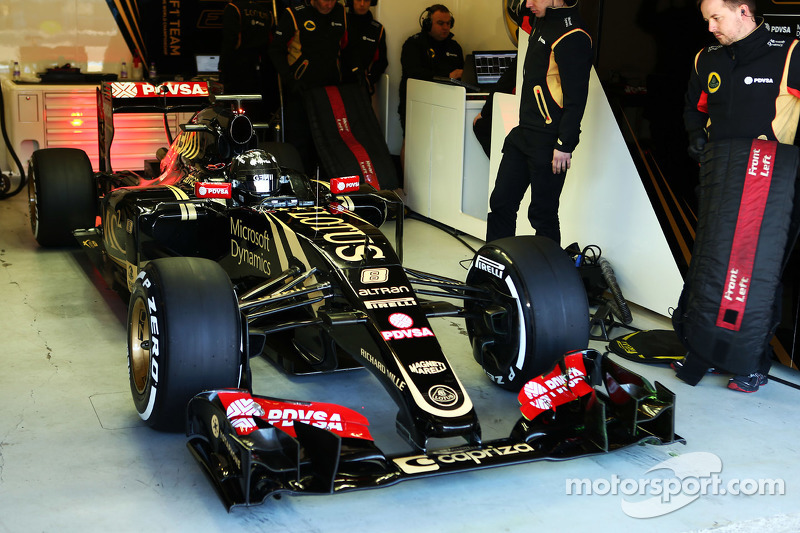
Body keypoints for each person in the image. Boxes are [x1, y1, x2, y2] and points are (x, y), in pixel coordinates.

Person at [676, 0, 800, 393]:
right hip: (720, 181)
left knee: (760, 275)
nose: (711, 27)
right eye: (707, 20)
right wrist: (695, 135)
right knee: (711, 267)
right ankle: (705, 349)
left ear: (743, 11)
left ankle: (752, 361)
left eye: (717, 18)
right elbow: (694, 109)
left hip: (774, 188)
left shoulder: (789, 53)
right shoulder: (706, 59)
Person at [485, 0, 593, 245]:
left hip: (549, 142)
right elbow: (520, 8)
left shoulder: (573, 35)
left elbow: (577, 97)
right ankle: (494, 270)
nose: (528, 3)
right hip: (523, 134)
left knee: (542, 215)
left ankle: (551, 276)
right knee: (501, 202)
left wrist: (565, 144)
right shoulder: (540, 18)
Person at [268, 0, 347, 173]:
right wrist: (290, 79)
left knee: (328, 142)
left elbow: (346, 48)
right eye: (325, 0)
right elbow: (275, 50)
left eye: (333, 0)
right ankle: (298, 183)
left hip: (330, 92)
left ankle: (326, 187)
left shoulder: (341, 12)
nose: (329, 4)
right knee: (299, 142)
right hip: (300, 91)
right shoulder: (294, 14)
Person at [398, 4, 464, 132]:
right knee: (412, 142)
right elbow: (414, 73)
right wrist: (447, 76)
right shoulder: (414, 44)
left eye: (448, 23)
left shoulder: (455, 47)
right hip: (417, 104)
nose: (445, 27)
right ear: (428, 24)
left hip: (447, 105)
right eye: (440, 23)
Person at [219, 0, 279, 120]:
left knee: (233, 109)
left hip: (238, 67)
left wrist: (222, 68)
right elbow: (272, 42)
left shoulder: (234, 8)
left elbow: (230, 41)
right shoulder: (267, 13)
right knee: (257, 109)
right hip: (262, 69)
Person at [472, 57, 517, 158]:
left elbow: (503, 85)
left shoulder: (524, 55)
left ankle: (500, 166)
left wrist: (484, 113)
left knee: (480, 125)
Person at [343, 0, 388, 97]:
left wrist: (369, 80)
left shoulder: (377, 29)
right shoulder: (342, 23)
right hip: (339, 85)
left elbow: (382, 61)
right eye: (358, 0)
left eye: (366, 0)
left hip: (362, 88)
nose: (362, 4)